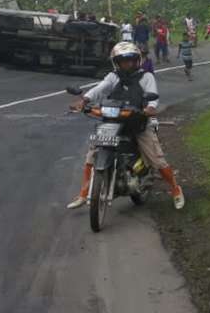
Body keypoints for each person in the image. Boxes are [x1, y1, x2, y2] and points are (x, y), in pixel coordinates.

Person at [66, 41, 185, 210]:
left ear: (137, 60)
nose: (128, 63)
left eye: (131, 60)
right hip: (113, 121)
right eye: (123, 60)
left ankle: (175, 190)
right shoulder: (113, 76)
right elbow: (100, 89)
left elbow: (154, 97)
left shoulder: (146, 77)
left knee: (157, 160)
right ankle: (83, 194)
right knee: (91, 157)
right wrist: (84, 100)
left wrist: (150, 108)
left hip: (138, 122)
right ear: (117, 62)